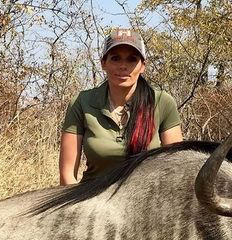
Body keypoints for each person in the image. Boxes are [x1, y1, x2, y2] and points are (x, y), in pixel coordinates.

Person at [59, 28, 183, 185]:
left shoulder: (162, 102)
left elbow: (175, 170)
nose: (123, 66)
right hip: (91, 202)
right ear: (103, 63)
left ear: (143, 66)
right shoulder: (82, 102)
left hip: (147, 202)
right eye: (115, 58)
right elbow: (67, 175)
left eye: (132, 59)